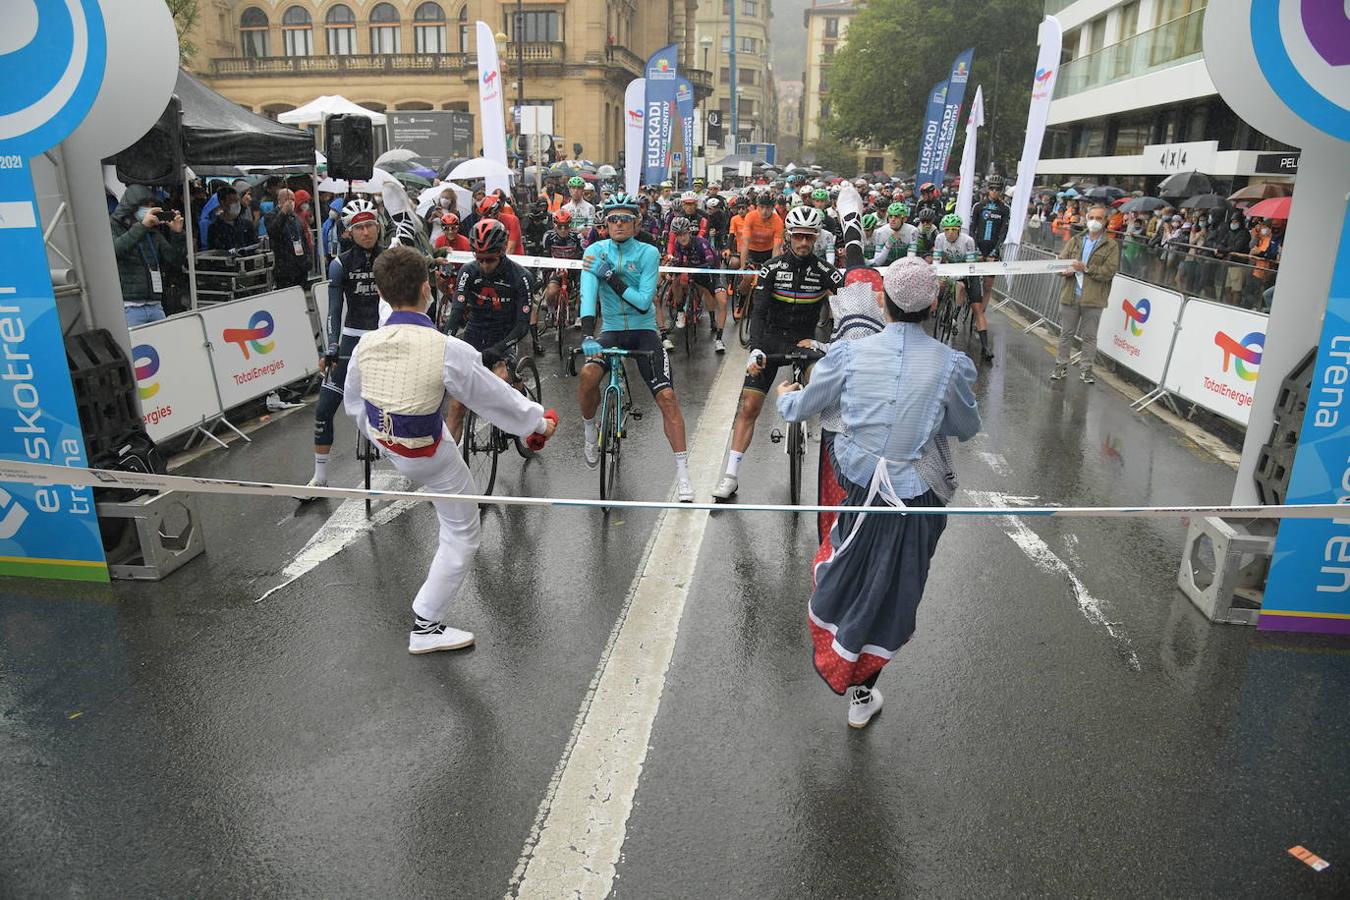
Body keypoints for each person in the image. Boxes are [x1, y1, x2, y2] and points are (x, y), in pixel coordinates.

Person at [776, 256, 980, 727]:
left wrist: (786, 394)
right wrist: (926, 418)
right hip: (917, 497)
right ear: (932, 305)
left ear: (882, 303)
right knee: (893, 592)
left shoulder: (846, 354)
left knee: (849, 571)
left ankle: (843, 657)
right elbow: (965, 427)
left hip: (859, 482)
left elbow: (801, 408)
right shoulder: (952, 366)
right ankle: (863, 693)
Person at [343, 245, 556, 654]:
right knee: (461, 533)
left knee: (446, 486)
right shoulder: (446, 349)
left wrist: (382, 438)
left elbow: (355, 403)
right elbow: (495, 397)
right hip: (430, 456)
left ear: (383, 296)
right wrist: (537, 422)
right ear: (428, 289)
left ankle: (427, 620)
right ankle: (426, 625)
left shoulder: (366, 345)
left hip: (393, 446)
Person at [711, 205, 844, 502]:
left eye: (810, 237)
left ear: (817, 238)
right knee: (749, 406)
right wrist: (755, 347)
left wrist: (833, 345)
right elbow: (759, 312)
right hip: (771, 340)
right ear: (788, 236)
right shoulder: (771, 268)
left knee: (830, 386)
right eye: (798, 236)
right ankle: (731, 476)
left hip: (805, 342)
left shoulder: (826, 272)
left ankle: (840, 469)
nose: (804, 243)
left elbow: (848, 310)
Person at [577, 193, 694, 502]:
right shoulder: (593, 251)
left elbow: (644, 302)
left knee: (668, 398)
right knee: (588, 375)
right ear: (605, 222)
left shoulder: (648, 253)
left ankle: (683, 473)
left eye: (625, 219)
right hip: (611, 330)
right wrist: (588, 336)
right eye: (612, 219)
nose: (618, 224)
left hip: (644, 331)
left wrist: (611, 277)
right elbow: (588, 297)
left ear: (637, 222)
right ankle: (590, 431)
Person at [308, 199, 383, 493]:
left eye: (370, 226)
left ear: (378, 227)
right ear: (349, 232)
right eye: (359, 228)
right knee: (324, 408)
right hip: (352, 339)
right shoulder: (339, 265)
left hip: (383, 338)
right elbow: (334, 310)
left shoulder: (390, 257)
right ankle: (320, 476)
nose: (366, 232)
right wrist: (332, 346)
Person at [442, 219, 535, 441]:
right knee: (455, 405)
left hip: (505, 336)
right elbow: (456, 312)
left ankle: (521, 398)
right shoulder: (468, 271)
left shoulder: (521, 277)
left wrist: (499, 348)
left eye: (490, 259)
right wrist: (445, 339)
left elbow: (523, 326)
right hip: (474, 336)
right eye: (479, 259)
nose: (484, 265)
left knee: (501, 377)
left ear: (502, 251)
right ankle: (448, 465)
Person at [1051, 203, 1120, 384]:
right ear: (1086, 219)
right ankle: (1061, 365)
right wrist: (1064, 270)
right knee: (1066, 333)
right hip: (1070, 295)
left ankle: (1086, 369)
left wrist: (1087, 268)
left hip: (1093, 299)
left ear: (1105, 222)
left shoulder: (1111, 245)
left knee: (1089, 336)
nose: (1094, 221)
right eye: (1091, 218)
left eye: (1099, 218)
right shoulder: (1076, 240)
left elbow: (1109, 271)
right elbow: (1060, 264)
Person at [111, 184, 186, 326]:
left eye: (152, 205)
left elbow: (175, 260)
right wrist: (142, 226)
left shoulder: (152, 232)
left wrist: (177, 234)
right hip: (129, 306)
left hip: (155, 304)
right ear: (132, 206)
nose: (149, 208)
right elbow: (115, 250)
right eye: (145, 205)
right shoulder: (113, 226)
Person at [934, 213, 993, 361]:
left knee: (977, 309)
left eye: (954, 229)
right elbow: (936, 261)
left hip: (968, 272)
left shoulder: (968, 241)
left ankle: (985, 347)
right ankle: (945, 312)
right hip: (951, 269)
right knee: (941, 284)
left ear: (959, 230)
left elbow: (969, 266)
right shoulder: (940, 238)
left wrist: (957, 276)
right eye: (947, 229)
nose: (950, 233)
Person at [667, 216, 729, 353]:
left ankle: (719, 339)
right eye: (678, 235)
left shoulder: (701, 243)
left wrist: (697, 267)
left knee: (722, 302)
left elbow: (711, 261)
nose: (681, 238)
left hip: (710, 274)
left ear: (689, 232)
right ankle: (680, 311)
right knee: (675, 281)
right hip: (693, 273)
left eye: (684, 234)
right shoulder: (678, 245)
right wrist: (672, 266)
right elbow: (677, 261)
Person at [266, 188, 314, 290]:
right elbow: (274, 231)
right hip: (285, 267)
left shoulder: (295, 217)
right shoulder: (271, 215)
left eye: (293, 199)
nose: (292, 202)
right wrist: (283, 212)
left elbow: (303, 239)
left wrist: (308, 258)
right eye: (289, 199)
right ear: (281, 200)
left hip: (300, 266)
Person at [972, 176, 1010, 301]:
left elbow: (1003, 232)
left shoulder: (1004, 209)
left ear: (1001, 191)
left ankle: (980, 315)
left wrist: (995, 251)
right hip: (978, 247)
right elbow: (972, 229)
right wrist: (976, 248)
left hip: (993, 249)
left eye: (998, 189)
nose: (994, 191)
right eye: (992, 188)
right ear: (988, 189)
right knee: (972, 284)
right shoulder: (979, 206)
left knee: (988, 286)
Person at [870, 202, 917, 267]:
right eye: (890, 216)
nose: (892, 220)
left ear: (904, 219)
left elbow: (911, 258)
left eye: (896, 217)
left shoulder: (912, 231)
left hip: (904, 266)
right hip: (886, 265)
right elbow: (878, 262)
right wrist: (888, 244)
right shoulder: (881, 232)